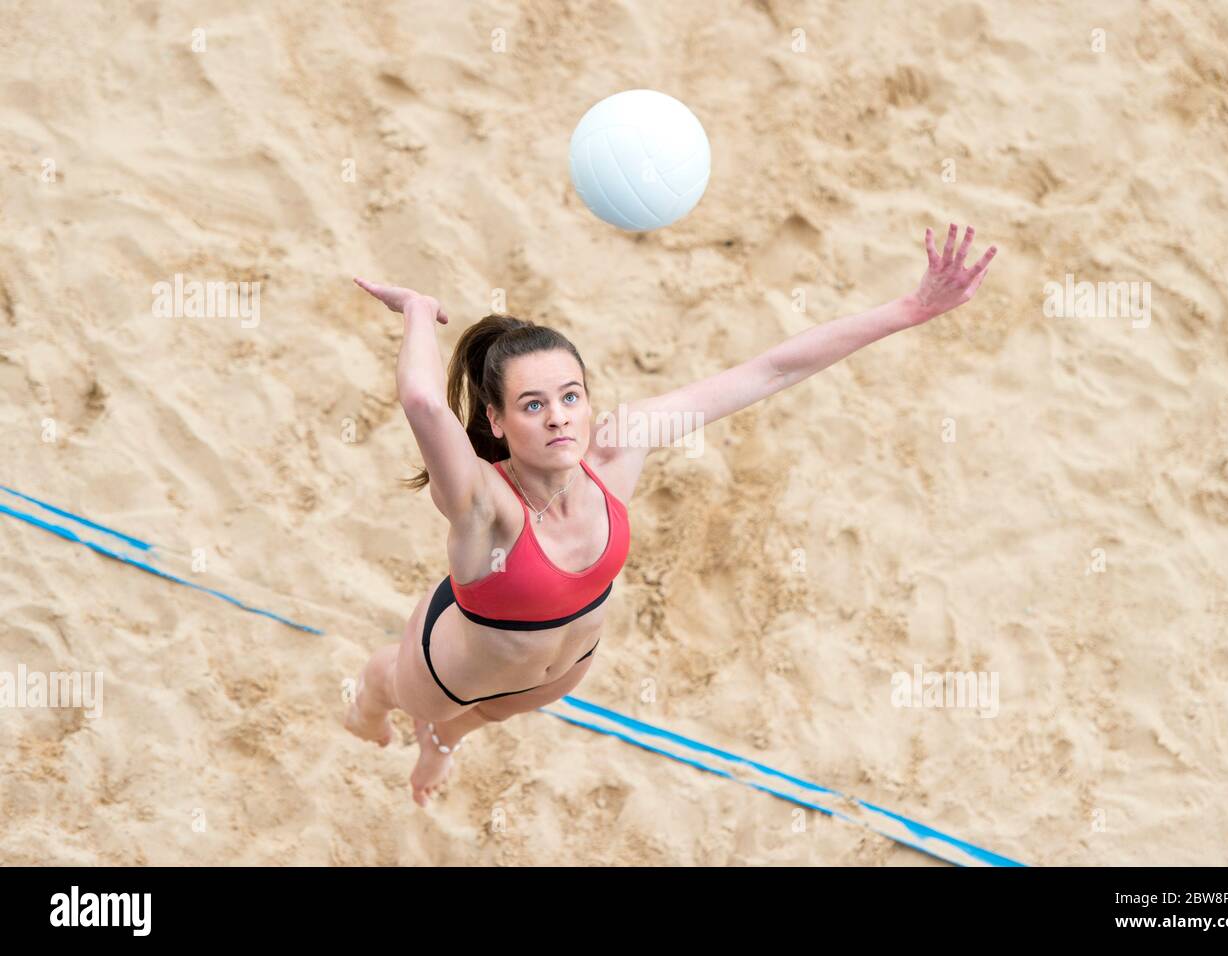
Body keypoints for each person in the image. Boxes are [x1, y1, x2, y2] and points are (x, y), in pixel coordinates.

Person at [346, 223, 996, 806]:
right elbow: (425, 403)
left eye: (571, 396)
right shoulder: (484, 507)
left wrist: (910, 309)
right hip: (449, 673)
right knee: (393, 689)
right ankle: (372, 715)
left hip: (554, 676)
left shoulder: (620, 445)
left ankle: (441, 745)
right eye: (534, 405)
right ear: (497, 419)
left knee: (483, 720)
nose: (560, 417)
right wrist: (418, 312)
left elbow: (769, 370)